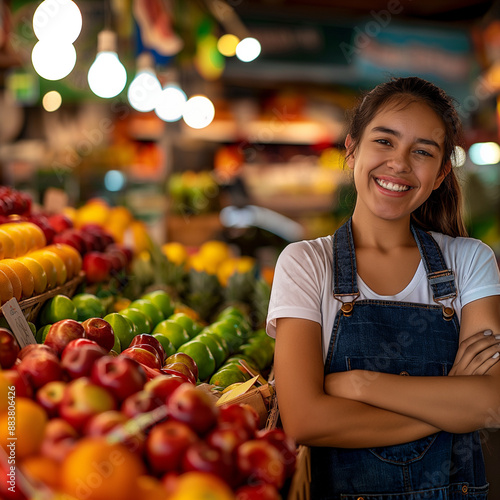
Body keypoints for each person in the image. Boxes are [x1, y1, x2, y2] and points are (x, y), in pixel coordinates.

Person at [266, 76, 500, 499]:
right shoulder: (305, 264)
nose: (400, 164)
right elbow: (304, 419)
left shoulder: (469, 260)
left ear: (442, 171)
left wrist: (359, 385)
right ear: (352, 149)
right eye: (385, 142)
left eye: (423, 152)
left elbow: (493, 402)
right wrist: (452, 408)